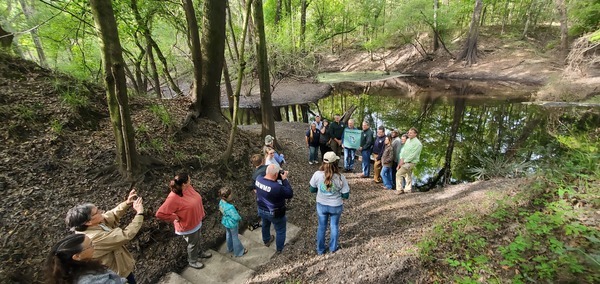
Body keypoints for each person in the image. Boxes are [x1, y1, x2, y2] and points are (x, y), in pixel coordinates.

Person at [65, 190, 143, 283]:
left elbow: (111, 215)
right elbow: (125, 235)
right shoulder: (93, 238)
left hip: (120, 269)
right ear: (88, 222)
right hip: (115, 276)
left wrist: (126, 203)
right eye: (97, 212)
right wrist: (139, 214)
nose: (101, 212)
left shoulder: (92, 224)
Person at [155, 174, 212, 269]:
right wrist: (174, 216)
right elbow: (160, 213)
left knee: (197, 239)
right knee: (192, 243)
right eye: (189, 179)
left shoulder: (188, 188)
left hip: (196, 220)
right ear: (184, 184)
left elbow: (194, 199)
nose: (191, 180)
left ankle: (199, 252)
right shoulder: (173, 198)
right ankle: (192, 261)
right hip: (188, 225)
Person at [309, 152, 350, 255]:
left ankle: (320, 249)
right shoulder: (341, 178)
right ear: (336, 162)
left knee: (321, 226)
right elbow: (346, 195)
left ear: (323, 161)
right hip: (335, 206)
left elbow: (312, 189)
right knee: (334, 226)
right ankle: (333, 248)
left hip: (321, 205)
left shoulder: (317, 174)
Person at [46, 234, 126, 284]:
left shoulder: (72, 269)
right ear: (77, 256)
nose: (94, 245)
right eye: (90, 245)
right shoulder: (89, 281)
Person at [254, 164, 294, 253]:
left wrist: (277, 175)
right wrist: (284, 179)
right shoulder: (277, 187)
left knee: (265, 224)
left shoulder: (258, 179)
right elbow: (289, 193)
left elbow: (268, 176)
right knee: (280, 230)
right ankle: (279, 249)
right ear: (276, 175)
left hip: (261, 209)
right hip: (275, 213)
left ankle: (266, 240)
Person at [219, 187, 247, 257]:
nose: (231, 195)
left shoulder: (221, 202)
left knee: (228, 234)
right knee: (235, 237)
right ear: (227, 197)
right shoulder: (230, 207)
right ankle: (239, 252)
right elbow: (236, 217)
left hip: (226, 221)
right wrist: (239, 218)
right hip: (232, 224)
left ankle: (230, 248)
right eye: (230, 195)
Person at [396, 127, 423, 194]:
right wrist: (401, 160)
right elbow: (404, 151)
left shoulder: (418, 144)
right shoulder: (408, 140)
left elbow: (413, 155)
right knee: (408, 174)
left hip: (411, 162)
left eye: (411, 133)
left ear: (415, 134)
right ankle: (408, 189)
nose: (409, 134)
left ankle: (399, 189)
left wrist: (404, 161)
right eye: (408, 132)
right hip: (404, 160)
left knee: (399, 173)